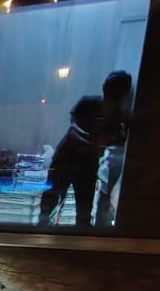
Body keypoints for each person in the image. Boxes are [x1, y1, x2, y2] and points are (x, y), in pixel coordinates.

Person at [39, 70, 133, 227]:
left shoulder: (118, 116)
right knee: (49, 208)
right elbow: (73, 130)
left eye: (117, 91)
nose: (112, 94)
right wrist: (95, 142)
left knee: (83, 214)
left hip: (87, 167)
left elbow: (120, 140)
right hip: (65, 161)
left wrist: (103, 141)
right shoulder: (89, 104)